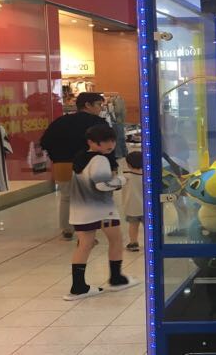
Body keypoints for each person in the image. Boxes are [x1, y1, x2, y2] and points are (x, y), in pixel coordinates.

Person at [65, 124, 139, 300]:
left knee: (84, 244)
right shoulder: (100, 160)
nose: (110, 145)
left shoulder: (81, 158)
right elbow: (102, 185)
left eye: (112, 140)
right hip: (101, 209)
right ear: (91, 142)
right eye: (104, 141)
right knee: (116, 240)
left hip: (80, 209)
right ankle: (116, 278)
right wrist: (122, 180)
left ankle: (78, 286)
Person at [40, 92, 117, 239]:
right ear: (87, 105)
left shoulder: (60, 122)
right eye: (98, 104)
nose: (100, 108)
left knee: (66, 197)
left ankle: (67, 230)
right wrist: (112, 166)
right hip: (90, 165)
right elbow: (108, 147)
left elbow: (45, 142)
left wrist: (57, 157)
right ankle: (88, 230)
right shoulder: (98, 123)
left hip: (63, 165)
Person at [122, 150, 144, 252]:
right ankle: (152, 242)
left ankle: (133, 243)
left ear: (129, 165)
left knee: (133, 226)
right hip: (146, 207)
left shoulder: (126, 177)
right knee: (149, 226)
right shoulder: (148, 176)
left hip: (131, 207)